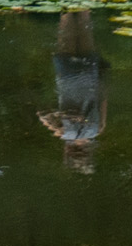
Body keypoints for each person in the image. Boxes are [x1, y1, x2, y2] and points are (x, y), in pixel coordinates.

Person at [39, 9, 106, 174]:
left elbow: (103, 98)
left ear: (89, 153)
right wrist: (62, 118)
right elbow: (41, 113)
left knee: (85, 23)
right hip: (67, 76)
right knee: (66, 19)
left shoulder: (98, 129)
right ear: (68, 152)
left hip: (89, 75)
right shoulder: (63, 133)